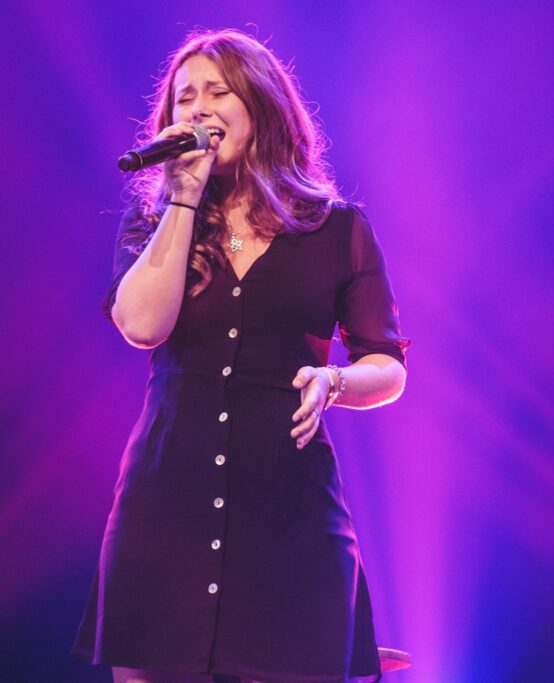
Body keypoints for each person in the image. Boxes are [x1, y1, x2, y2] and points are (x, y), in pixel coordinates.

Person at [72, 29, 409, 683]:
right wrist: (183, 196)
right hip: (165, 512)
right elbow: (142, 325)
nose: (197, 108)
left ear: (261, 104)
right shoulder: (153, 224)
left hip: (288, 514)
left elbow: (387, 364)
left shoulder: (336, 228)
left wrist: (334, 381)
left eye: (218, 91)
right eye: (184, 98)